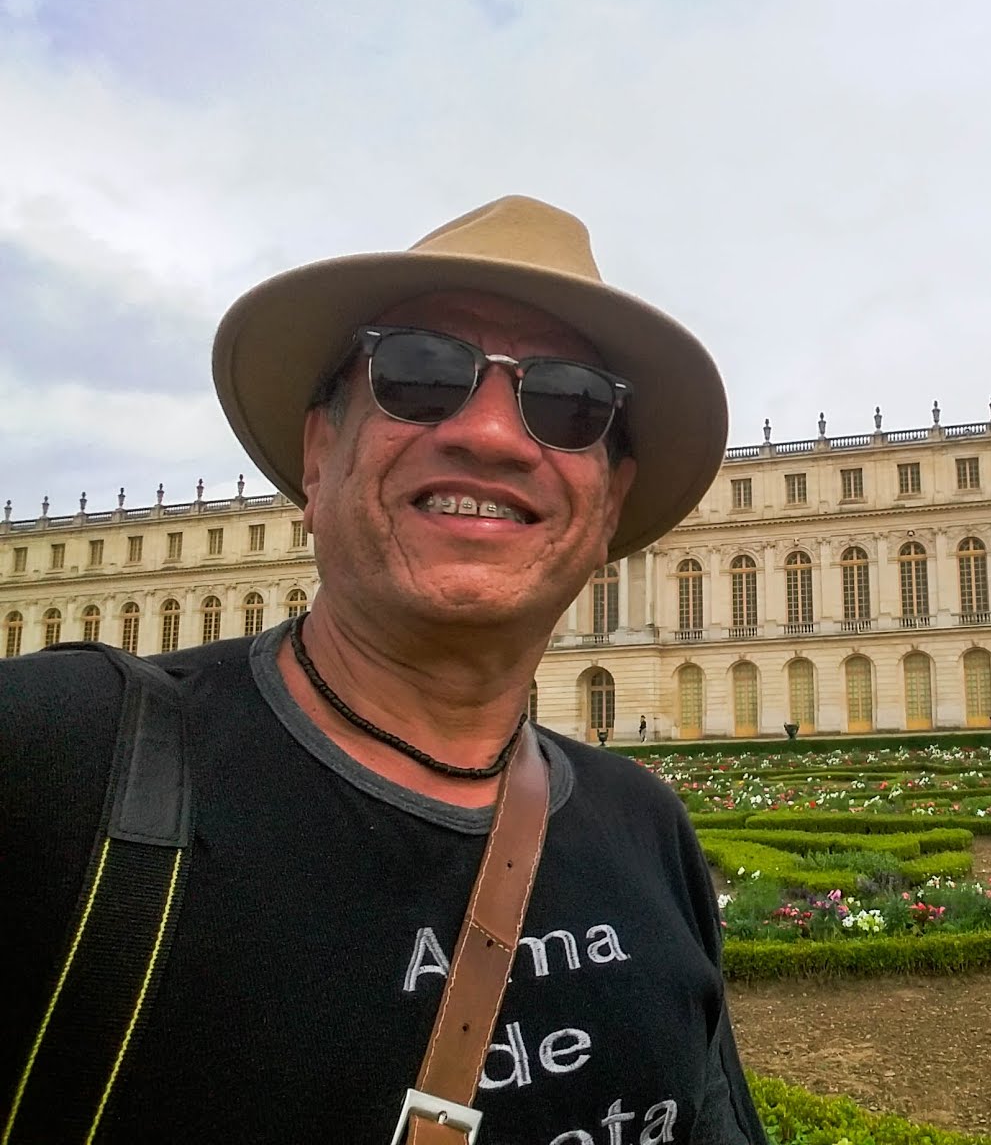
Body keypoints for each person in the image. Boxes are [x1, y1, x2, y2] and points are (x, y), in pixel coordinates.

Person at [1, 197, 765, 1143]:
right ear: (319, 457)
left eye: (571, 403)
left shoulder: (647, 826)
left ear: (608, 507)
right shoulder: (52, 755)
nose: (490, 435)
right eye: (418, 374)